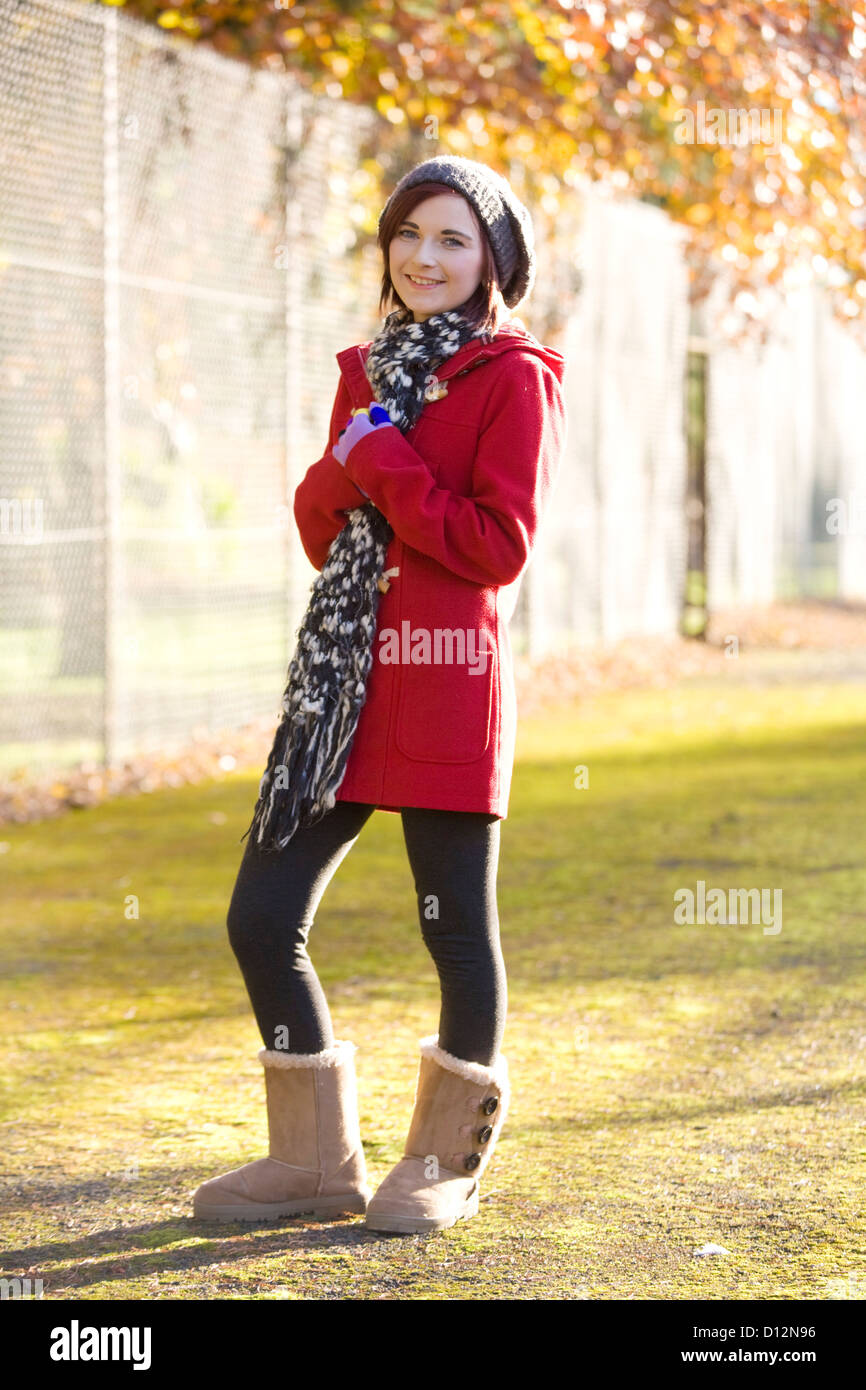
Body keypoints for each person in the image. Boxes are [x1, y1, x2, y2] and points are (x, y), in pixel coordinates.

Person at [192, 155, 567, 1235]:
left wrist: (386, 461)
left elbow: (493, 548)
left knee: (450, 929)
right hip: (339, 695)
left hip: (446, 685)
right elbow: (320, 532)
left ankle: (445, 1157)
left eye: (452, 239)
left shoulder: (514, 376)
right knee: (260, 916)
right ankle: (312, 1160)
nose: (425, 256)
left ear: (490, 260)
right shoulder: (365, 368)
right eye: (408, 235)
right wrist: (359, 453)